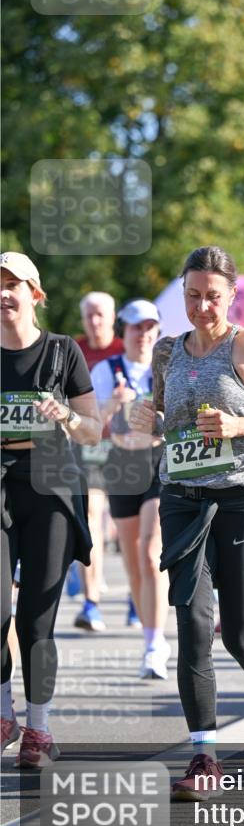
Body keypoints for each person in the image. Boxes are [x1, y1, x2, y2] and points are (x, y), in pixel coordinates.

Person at [129, 246, 244, 797]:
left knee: (238, 634)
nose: (202, 306)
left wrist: (239, 426)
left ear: (231, 296)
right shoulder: (167, 352)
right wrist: (147, 416)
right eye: (193, 295)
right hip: (182, 495)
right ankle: (204, 757)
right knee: (191, 626)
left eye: (213, 295)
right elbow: (166, 417)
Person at [1, 251, 102, 766]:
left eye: (12, 284)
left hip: (51, 486)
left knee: (35, 621)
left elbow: (94, 428)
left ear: (35, 294)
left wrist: (64, 413)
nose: (2, 293)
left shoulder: (62, 352)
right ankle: (3, 715)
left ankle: (38, 729)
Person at [90, 299, 168, 679]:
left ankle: (156, 645)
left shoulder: (166, 369)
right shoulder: (107, 369)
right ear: (124, 330)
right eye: (137, 327)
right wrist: (112, 405)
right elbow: (89, 423)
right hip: (121, 463)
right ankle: (149, 636)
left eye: (150, 326)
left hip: (157, 462)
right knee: (133, 562)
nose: (144, 334)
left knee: (151, 553)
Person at [73, 292, 125, 632]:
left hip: (125, 446)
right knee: (90, 516)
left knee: (126, 524)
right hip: (87, 445)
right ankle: (91, 602)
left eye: (100, 314)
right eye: (89, 315)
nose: (94, 321)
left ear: (112, 316)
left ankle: (138, 597)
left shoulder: (126, 349)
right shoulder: (73, 350)